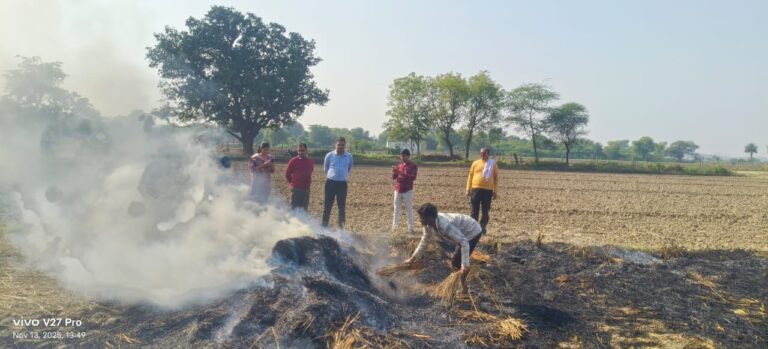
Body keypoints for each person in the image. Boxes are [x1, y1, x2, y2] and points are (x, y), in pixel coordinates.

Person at [403, 203, 483, 295]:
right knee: (456, 261)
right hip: (460, 233)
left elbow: (464, 242)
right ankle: (461, 287)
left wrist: (465, 264)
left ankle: (463, 289)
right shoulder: (427, 225)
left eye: (423, 217)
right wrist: (413, 258)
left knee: (456, 263)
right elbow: (424, 241)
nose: (421, 219)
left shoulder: (445, 225)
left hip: (472, 231)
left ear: (431, 217)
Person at [322, 137, 353, 228]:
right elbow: (326, 169)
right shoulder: (329, 155)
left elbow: (349, 168)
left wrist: (342, 176)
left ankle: (341, 229)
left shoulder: (349, 156)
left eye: (342, 145)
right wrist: (332, 176)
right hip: (330, 183)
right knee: (327, 206)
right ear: (335, 145)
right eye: (339, 145)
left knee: (341, 208)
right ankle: (323, 228)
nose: (340, 147)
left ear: (345, 145)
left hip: (342, 184)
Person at [466, 147, 499, 232]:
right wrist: (467, 189)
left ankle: (482, 228)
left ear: (488, 154)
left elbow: (496, 178)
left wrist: (495, 191)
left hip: (488, 191)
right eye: (481, 153)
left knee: (485, 211)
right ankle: (473, 228)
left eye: (484, 153)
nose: (482, 154)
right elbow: (470, 176)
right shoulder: (475, 163)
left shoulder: (493, 164)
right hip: (475, 190)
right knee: (474, 210)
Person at [391, 148, 418, 234]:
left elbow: (413, 177)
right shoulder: (399, 166)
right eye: (401, 156)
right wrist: (394, 172)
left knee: (409, 209)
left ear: (409, 156)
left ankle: (410, 228)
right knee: (396, 209)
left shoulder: (413, 166)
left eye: (405, 156)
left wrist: (400, 173)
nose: (403, 157)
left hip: (407, 190)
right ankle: (395, 228)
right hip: (398, 189)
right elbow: (394, 178)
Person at [285, 143, 314, 211]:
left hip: (306, 189)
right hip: (296, 190)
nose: (300, 152)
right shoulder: (293, 161)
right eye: (299, 151)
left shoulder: (310, 161)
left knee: (304, 209)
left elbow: (311, 171)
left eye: (302, 150)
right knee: (294, 209)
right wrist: (292, 183)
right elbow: (287, 174)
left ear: (306, 150)